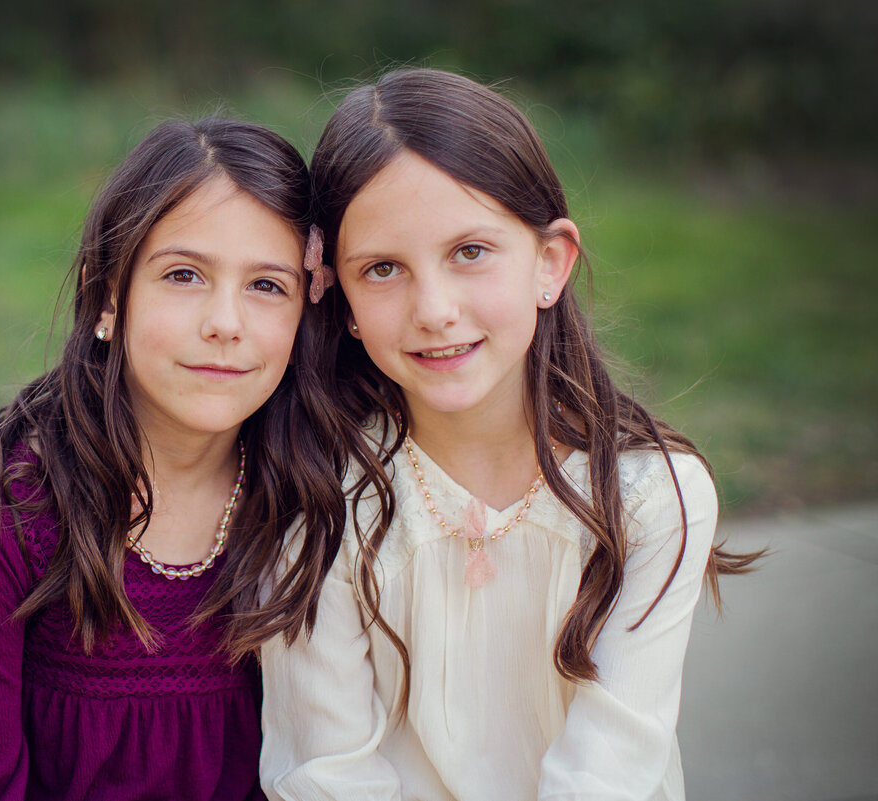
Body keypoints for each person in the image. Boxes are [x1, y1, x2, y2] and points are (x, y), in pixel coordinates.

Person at [259, 69, 760, 800]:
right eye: (384, 268)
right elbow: (328, 775)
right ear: (340, 294)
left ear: (549, 263)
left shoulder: (654, 497)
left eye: (470, 251)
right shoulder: (324, 505)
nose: (434, 308)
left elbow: (605, 774)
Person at [0, 117, 352, 801]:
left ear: (308, 311)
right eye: (184, 274)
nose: (225, 322)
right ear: (109, 296)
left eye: (267, 285)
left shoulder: (314, 499)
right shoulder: (15, 511)